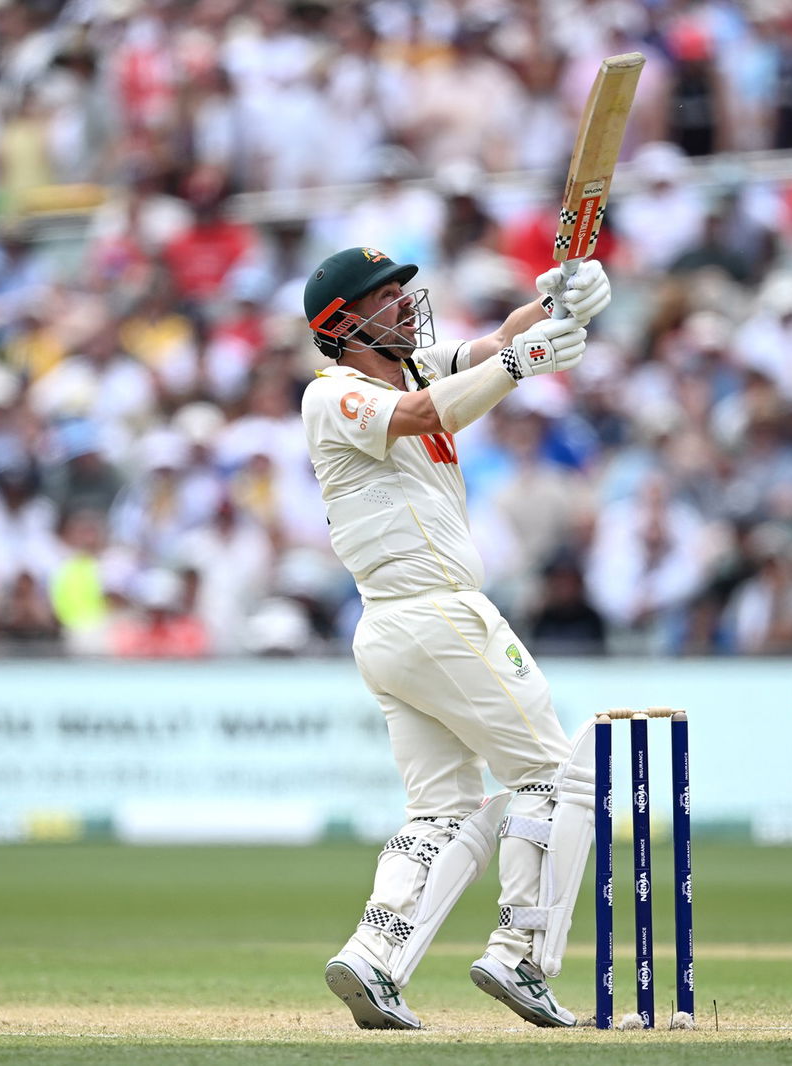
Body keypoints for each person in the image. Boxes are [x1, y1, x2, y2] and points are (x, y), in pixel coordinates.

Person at [299, 245, 610, 1030]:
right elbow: (427, 414)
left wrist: (559, 299)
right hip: (435, 614)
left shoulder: (416, 367)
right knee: (553, 775)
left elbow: (500, 342)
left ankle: (375, 955)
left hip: (393, 630)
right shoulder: (332, 394)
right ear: (342, 323)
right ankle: (521, 953)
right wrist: (519, 363)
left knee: (443, 810)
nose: (406, 302)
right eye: (385, 296)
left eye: (403, 289)